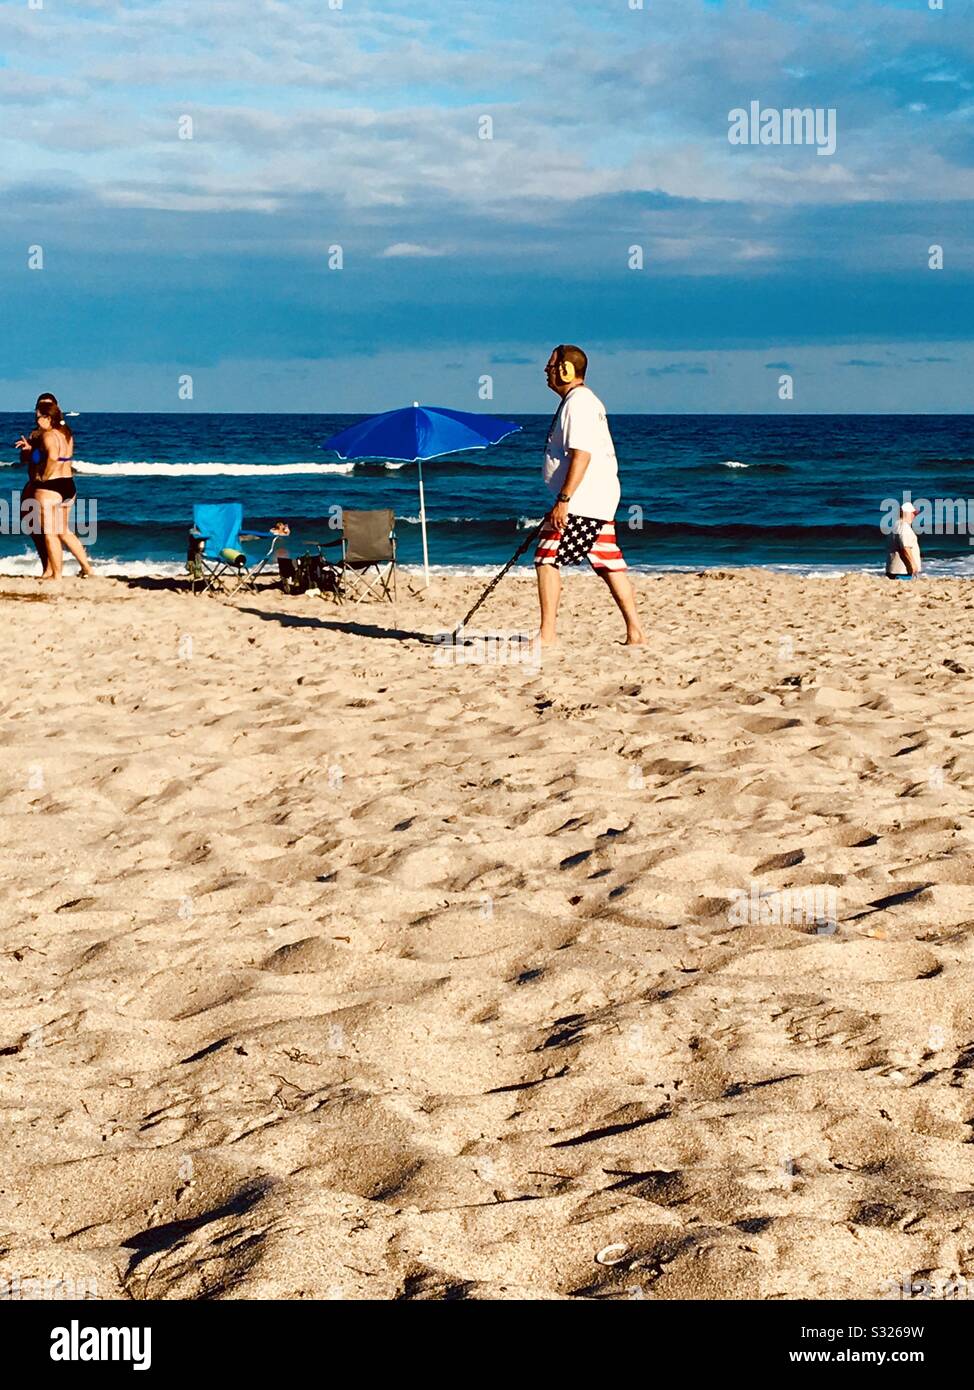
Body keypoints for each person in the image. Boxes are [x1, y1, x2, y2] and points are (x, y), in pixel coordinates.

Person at [534, 344, 646, 645]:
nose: (545, 370)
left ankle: (547, 634)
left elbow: (582, 455)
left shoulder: (579, 403)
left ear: (566, 370)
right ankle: (635, 631)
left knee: (546, 558)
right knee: (608, 562)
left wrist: (564, 500)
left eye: (551, 365)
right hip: (595, 499)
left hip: (583, 500)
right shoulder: (578, 401)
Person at [15, 394, 93, 580]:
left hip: (49, 486)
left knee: (49, 532)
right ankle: (86, 568)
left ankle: (55, 574)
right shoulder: (65, 432)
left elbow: (50, 457)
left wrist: (44, 476)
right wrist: (30, 451)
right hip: (68, 485)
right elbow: (39, 457)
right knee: (62, 530)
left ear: (50, 414)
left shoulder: (47, 435)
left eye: (39, 414)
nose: (36, 418)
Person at [886, 501, 921, 580]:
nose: (914, 516)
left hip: (893, 569)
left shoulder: (895, 525)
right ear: (906, 513)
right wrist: (912, 564)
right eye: (913, 513)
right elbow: (905, 547)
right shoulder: (904, 527)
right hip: (903, 570)